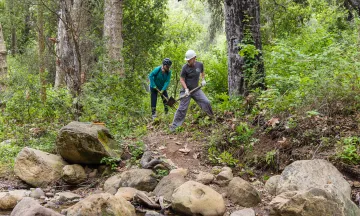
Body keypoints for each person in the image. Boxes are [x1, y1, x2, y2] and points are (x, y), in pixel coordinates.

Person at [170, 50, 213, 132]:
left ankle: (212, 118)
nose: (188, 61)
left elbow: (202, 72)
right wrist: (186, 89)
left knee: (206, 102)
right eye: (187, 60)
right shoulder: (185, 68)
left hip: (196, 89)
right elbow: (182, 80)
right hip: (185, 91)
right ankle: (174, 127)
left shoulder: (200, 65)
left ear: (194, 58)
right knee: (182, 108)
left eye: (189, 60)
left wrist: (203, 79)